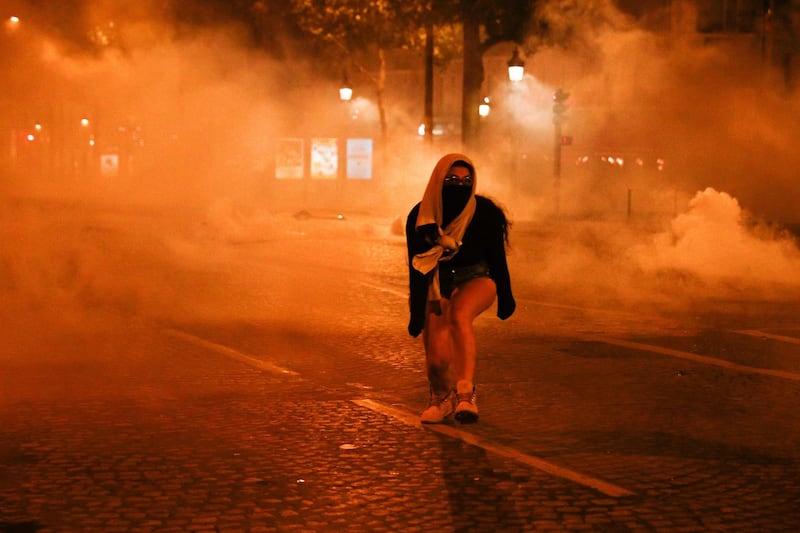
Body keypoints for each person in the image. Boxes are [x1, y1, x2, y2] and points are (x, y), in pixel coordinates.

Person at [405, 153, 515, 424]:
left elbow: (497, 258)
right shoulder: (420, 218)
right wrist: (417, 313)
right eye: (452, 179)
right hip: (436, 282)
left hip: (476, 277)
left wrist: (506, 295)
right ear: (439, 181)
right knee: (437, 361)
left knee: (460, 316)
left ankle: (466, 394)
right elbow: (417, 266)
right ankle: (440, 398)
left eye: (467, 180)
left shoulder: (485, 214)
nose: (460, 185)